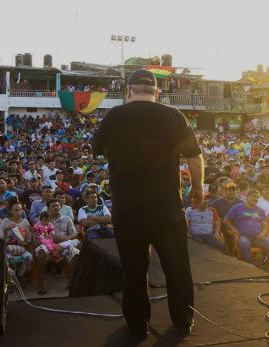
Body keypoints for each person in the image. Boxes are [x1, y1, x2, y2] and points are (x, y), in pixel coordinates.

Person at [92, 69, 203, 338]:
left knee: (134, 270)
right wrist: (197, 188)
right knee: (177, 267)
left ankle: (137, 325)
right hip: (166, 209)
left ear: (128, 90)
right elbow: (194, 157)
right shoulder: (173, 115)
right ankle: (182, 321)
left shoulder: (115, 116)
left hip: (128, 210)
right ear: (156, 91)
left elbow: (98, 150)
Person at [224, 189, 269, 273]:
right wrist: (233, 228)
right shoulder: (237, 207)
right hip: (243, 236)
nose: (256, 199)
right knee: (244, 244)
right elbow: (226, 220)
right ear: (247, 197)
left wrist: (263, 233)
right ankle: (249, 269)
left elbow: (265, 224)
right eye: (254, 196)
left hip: (258, 237)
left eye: (257, 197)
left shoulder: (260, 210)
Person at [0, 199, 33, 277]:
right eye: (16, 210)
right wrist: (6, 229)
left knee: (28, 257)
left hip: (21, 248)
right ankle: (12, 278)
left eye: (20, 210)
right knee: (8, 259)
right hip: (8, 249)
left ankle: (19, 276)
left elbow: (29, 239)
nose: (19, 212)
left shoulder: (25, 222)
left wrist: (25, 242)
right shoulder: (5, 221)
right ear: (10, 211)